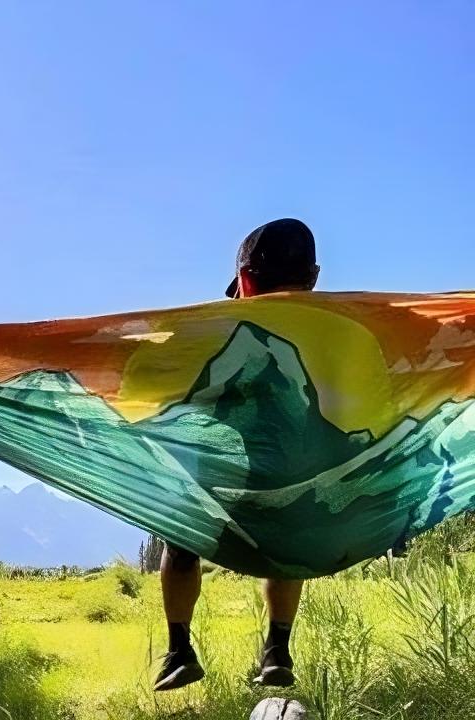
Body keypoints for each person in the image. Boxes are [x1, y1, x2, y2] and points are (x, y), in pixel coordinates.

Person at [154, 218, 321, 692]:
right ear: (313, 277)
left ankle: (178, 649)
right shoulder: (339, 325)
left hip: (214, 474)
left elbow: (176, 385)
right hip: (297, 471)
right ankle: (277, 650)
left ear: (245, 280)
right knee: (283, 550)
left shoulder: (218, 328)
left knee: (180, 542)